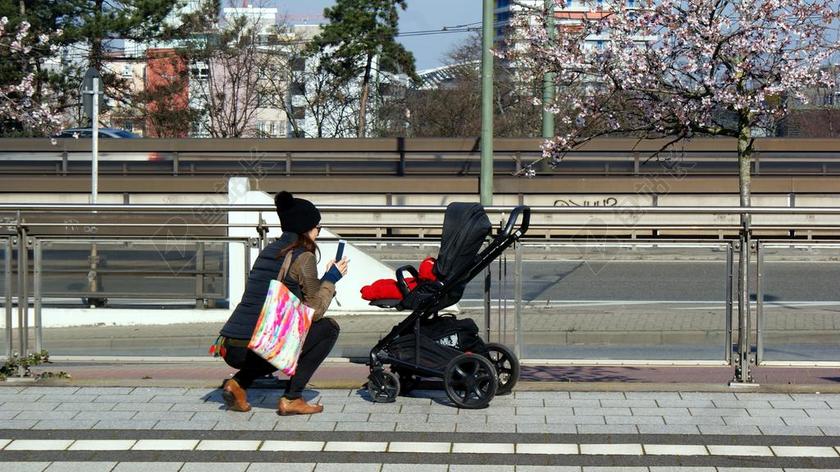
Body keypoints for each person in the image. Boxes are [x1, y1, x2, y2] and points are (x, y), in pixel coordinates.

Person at [218, 191, 348, 415]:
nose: (318, 230)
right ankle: (293, 398)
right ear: (306, 228)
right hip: (260, 346)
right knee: (328, 329)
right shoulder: (303, 256)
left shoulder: (269, 250)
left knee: (279, 338)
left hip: (232, 345)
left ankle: (237, 384)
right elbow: (314, 312)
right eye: (317, 226)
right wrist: (332, 278)